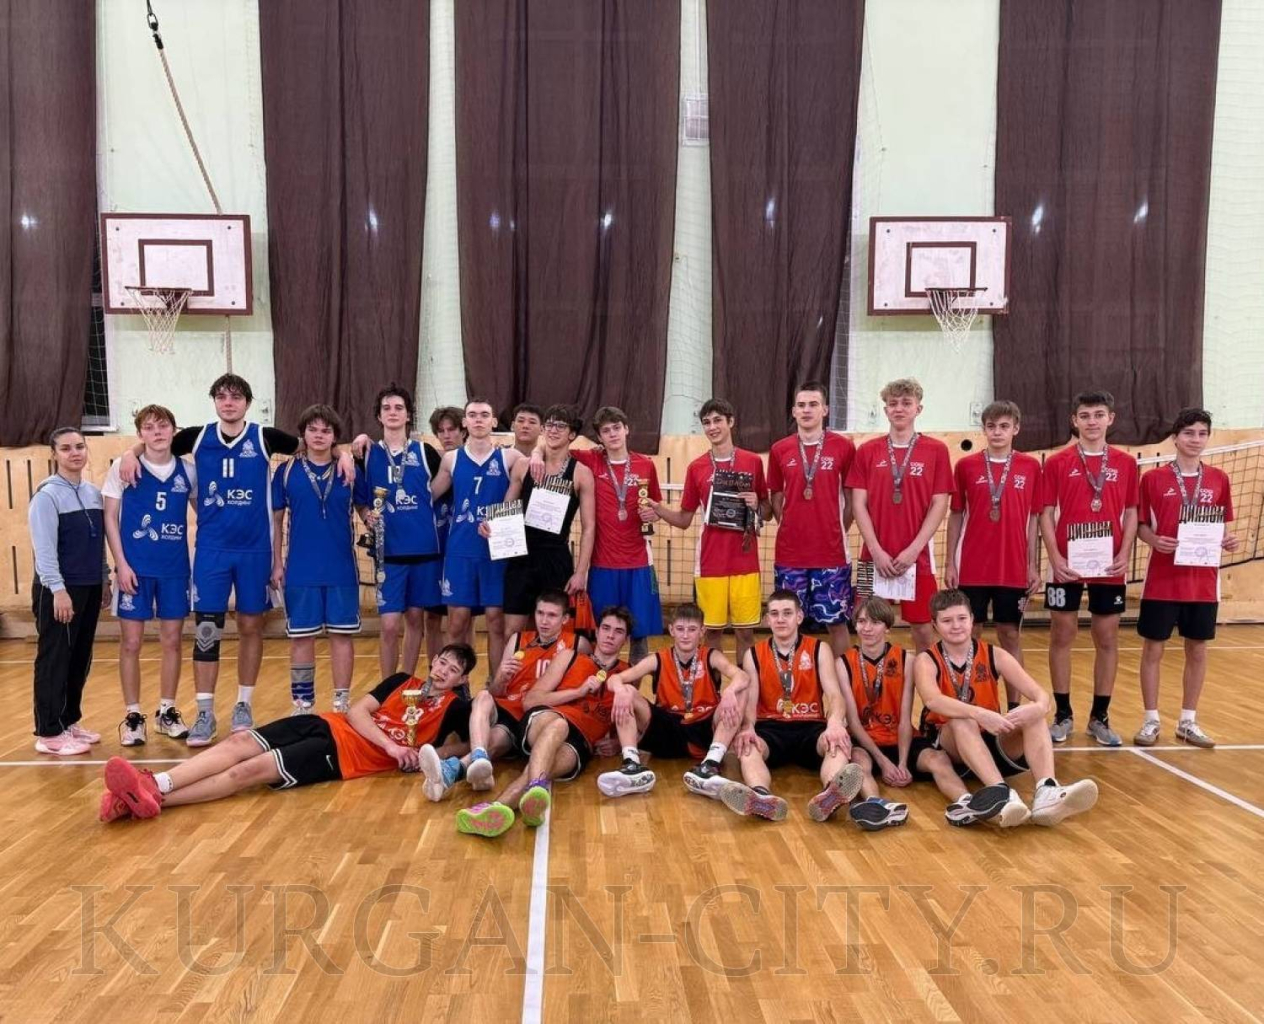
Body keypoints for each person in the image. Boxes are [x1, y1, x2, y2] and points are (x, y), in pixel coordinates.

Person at [117, 374, 354, 744]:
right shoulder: (196, 437)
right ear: (214, 401)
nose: (229, 403)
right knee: (207, 631)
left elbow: (313, 443)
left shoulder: (265, 437)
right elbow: (153, 441)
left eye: (236, 397)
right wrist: (129, 454)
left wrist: (344, 454)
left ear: (247, 403)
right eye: (222, 397)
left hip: (255, 551)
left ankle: (244, 704)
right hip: (212, 551)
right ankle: (205, 712)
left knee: (250, 627)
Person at [98, 645, 477, 822]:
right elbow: (358, 712)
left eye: (453, 670)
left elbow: (473, 742)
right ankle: (156, 783)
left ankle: (148, 802)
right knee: (239, 741)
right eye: (442, 661)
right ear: (433, 660)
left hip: (343, 757)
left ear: (461, 680)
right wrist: (392, 746)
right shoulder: (402, 680)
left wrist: (430, 754)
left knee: (247, 771)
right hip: (328, 723)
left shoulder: (455, 708)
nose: (443, 671)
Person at [914, 589, 1099, 827]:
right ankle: (1000, 793)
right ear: (935, 625)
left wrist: (1039, 707)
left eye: (961, 618)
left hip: (991, 738)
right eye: (947, 621)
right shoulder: (926, 659)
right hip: (949, 746)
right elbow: (933, 700)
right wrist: (978, 713)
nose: (956, 625)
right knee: (962, 720)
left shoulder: (994, 654)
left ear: (972, 619)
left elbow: (1041, 695)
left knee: (1033, 715)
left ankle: (1046, 791)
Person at [454, 607, 632, 838]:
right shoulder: (570, 657)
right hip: (546, 719)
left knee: (540, 769)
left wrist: (617, 743)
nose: (610, 635)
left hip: (581, 742)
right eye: (606, 628)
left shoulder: (627, 674)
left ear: (626, 639)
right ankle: (536, 788)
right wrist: (577, 692)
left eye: (618, 631)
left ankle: (497, 809)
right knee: (559, 726)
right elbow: (532, 700)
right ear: (597, 632)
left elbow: (631, 718)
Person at [1040, 390, 1139, 746]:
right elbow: (1046, 513)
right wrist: (1055, 558)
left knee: (1107, 637)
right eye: (1085, 415)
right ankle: (1063, 715)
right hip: (1066, 563)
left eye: (1099, 415)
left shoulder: (1126, 464)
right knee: (1061, 634)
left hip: (1109, 564)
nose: (1092, 421)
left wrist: (1125, 553)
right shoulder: (1056, 463)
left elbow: (1132, 512)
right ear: (1075, 421)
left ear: (1111, 418)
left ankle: (1100, 717)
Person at [1135, 408, 1238, 748]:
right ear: (1175, 437)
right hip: (1162, 581)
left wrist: (1228, 541)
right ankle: (1150, 720)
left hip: (1203, 583)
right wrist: (1154, 540)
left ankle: (1188, 721)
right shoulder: (1152, 479)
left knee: (1197, 649)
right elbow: (1141, 526)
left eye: (1202, 433)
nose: (1196, 439)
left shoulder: (1219, 479)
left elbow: (1221, 528)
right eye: (1189, 433)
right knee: (1153, 649)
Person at [718, 590, 864, 822]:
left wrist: (835, 723)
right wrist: (747, 727)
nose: (780, 619)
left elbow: (835, 696)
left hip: (810, 725)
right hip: (771, 727)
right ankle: (761, 796)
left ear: (799, 617)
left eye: (787, 613)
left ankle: (831, 794)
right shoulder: (753, 654)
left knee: (836, 742)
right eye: (774, 614)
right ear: (767, 620)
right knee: (747, 747)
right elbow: (751, 702)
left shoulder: (819, 649)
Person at [102, 405, 196, 745]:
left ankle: (166, 711)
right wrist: (121, 564)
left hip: (174, 570)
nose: (157, 432)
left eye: (163, 426)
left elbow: (207, 516)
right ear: (140, 433)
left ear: (174, 430)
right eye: (149, 427)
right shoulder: (124, 467)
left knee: (172, 642)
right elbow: (110, 517)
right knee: (131, 643)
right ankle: (132, 716)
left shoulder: (189, 472)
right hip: (135, 570)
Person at [651, 399, 769, 664]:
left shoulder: (752, 462)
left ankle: (746, 686)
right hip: (710, 562)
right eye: (706, 422)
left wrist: (757, 505)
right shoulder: (696, 468)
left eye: (717, 420)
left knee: (746, 633)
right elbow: (684, 519)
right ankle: (712, 687)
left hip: (745, 561)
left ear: (731, 422)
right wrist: (659, 509)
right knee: (712, 633)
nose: (712, 427)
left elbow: (767, 510)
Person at [596, 602, 748, 800]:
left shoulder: (712, 656)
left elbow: (742, 676)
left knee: (740, 691)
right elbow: (615, 678)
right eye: (680, 629)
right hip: (667, 729)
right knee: (627, 691)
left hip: (704, 728)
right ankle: (631, 765)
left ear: (702, 631)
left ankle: (710, 765)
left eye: (692, 629)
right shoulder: (658, 659)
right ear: (671, 630)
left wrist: (729, 691)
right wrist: (620, 690)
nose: (685, 635)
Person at [944, 400, 1043, 703]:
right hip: (972, 567)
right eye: (991, 426)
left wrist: (1033, 565)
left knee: (1009, 634)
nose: (997, 432)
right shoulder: (966, 466)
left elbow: (1034, 519)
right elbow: (956, 515)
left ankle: (1014, 706)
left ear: (1016, 429)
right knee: (969, 634)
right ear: (984, 430)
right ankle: (970, 702)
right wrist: (949, 563)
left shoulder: (1031, 467)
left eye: (1004, 426)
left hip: (1012, 568)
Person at [837, 597, 962, 830]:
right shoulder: (843, 663)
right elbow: (853, 722)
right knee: (859, 764)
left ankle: (966, 802)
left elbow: (905, 718)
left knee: (939, 759)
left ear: (887, 627)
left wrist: (903, 763)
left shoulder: (907, 660)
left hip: (900, 738)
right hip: (865, 739)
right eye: (862, 621)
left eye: (875, 622)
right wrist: (883, 762)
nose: (867, 628)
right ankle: (876, 805)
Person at [848, 378, 953, 653]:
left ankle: (926, 680)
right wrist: (875, 550)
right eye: (893, 403)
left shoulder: (937, 450)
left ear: (919, 408)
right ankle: (871, 679)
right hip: (872, 556)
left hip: (918, 557)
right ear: (885, 410)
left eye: (906, 403)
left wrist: (913, 549)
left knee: (923, 629)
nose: (899, 408)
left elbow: (939, 503)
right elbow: (858, 503)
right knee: (867, 624)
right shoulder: (867, 450)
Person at [453, 589, 589, 794]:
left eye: (552, 615)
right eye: (540, 613)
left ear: (565, 619)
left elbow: (586, 689)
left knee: (494, 741)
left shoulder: (578, 644)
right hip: (507, 709)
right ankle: (478, 757)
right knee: (483, 695)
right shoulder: (517, 640)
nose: (544, 621)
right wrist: (501, 676)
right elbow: (496, 692)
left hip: (535, 716)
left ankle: (454, 771)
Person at [271, 405, 360, 715]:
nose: (319, 436)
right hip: (300, 569)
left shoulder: (350, 471)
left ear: (335, 436)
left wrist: (373, 520)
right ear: (303, 434)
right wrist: (276, 563)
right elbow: (276, 522)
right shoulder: (286, 472)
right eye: (313, 430)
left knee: (342, 635)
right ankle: (303, 703)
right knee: (301, 639)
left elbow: (365, 509)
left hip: (341, 569)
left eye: (326, 431)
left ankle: (341, 702)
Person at [29, 428, 112, 756]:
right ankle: (49, 732)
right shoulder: (46, 496)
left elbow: (98, 543)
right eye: (66, 448)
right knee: (55, 658)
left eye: (79, 446)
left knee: (80, 657)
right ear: (54, 454)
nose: (74, 453)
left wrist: (104, 579)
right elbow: (44, 550)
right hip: (59, 590)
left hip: (89, 586)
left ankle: (68, 720)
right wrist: (58, 590)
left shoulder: (93, 493)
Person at [355, 384, 444, 678]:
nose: (392, 413)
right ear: (379, 416)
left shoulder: (426, 452)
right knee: (390, 624)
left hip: (424, 551)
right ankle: (387, 686)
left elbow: (446, 485)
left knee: (416, 619)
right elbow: (360, 498)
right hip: (388, 553)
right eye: (386, 408)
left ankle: (405, 683)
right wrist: (366, 515)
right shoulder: (367, 453)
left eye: (399, 408)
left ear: (408, 415)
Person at [430, 398, 524, 672]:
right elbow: (428, 497)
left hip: (495, 551)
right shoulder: (451, 459)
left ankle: (494, 684)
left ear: (494, 421)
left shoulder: (510, 457)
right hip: (460, 550)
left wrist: (539, 454)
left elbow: (535, 460)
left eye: (484, 414)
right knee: (457, 622)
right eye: (473, 415)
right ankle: (455, 686)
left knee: (495, 621)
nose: (479, 419)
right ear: (465, 422)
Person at [766, 382, 855, 656]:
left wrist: (835, 529)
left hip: (831, 555)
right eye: (801, 405)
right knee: (788, 625)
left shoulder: (844, 447)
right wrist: (790, 526)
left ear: (825, 410)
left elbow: (851, 499)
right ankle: (793, 678)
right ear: (793, 411)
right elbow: (776, 496)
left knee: (837, 624)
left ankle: (842, 679)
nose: (807, 410)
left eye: (813, 404)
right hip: (790, 556)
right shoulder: (779, 449)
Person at [571, 407, 664, 663]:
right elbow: (553, 448)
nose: (612, 434)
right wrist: (536, 453)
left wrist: (653, 514)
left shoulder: (646, 464)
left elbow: (656, 507)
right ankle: (599, 683)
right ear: (599, 437)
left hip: (639, 563)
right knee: (601, 634)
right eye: (605, 430)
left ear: (626, 429)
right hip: (603, 564)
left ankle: (632, 686)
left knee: (639, 636)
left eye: (616, 428)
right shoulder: (591, 460)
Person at [500, 404, 595, 638]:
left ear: (572, 434)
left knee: (550, 631)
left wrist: (581, 572)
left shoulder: (581, 473)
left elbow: (589, 527)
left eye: (561, 426)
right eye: (550, 424)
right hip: (521, 558)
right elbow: (506, 510)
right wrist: (492, 527)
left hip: (555, 559)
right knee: (512, 631)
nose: (553, 430)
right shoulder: (523, 465)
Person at [424, 406, 468, 660]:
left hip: (462, 548)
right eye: (441, 431)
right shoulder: (432, 463)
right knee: (432, 616)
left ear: (464, 430)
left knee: (463, 617)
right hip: (435, 548)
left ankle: (462, 674)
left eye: (451, 429)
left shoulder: (473, 462)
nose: (446, 435)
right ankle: (435, 672)